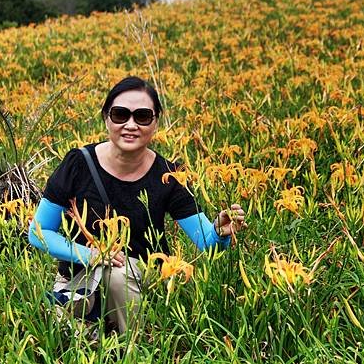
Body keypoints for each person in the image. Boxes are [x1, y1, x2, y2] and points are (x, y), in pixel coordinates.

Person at [28, 76, 246, 333]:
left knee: (117, 274)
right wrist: (93, 255)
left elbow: (205, 242)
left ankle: (137, 347)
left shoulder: (169, 174)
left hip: (146, 276)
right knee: (80, 340)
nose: (130, 125)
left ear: (155, 122)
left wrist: (220, 234)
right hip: (81, 277)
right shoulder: (79, 164)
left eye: (142, 116)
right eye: (120, 114)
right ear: (106, 117)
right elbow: (39, 234)